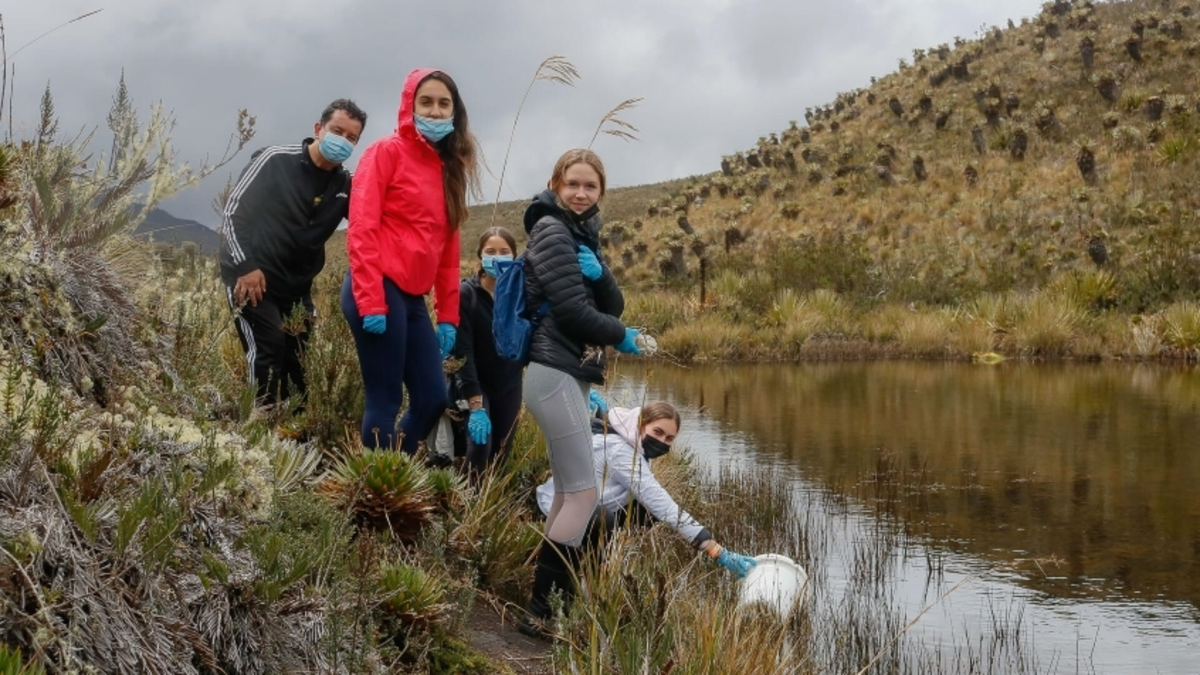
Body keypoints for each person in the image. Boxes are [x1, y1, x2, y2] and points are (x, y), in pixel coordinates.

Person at [518, 148, 647, 634]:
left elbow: (611, 301)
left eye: (590, 186)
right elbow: (575, 313)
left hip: (567, 374)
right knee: (583, 493)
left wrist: (602, 273)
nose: (580, 192)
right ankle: (544, 612)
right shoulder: (552, 230)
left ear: (601, 193)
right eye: (573, 183)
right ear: (556, 183)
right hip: (552, 371)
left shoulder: (579, 234)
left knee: (566, 493)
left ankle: (544, 606)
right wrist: (623, 336)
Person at [526, 400, 758, 634]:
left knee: (643, 513)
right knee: (605, 519)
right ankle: (545, 610)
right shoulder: (620, 450)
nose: (662, 441)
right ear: (640, 424)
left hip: (590, 506)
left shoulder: (633, 442)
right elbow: (662, 503)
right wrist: (715, 550)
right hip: (560, 511)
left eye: (669, 438)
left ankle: (590, 569)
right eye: (657, 432)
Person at [341, 69, 480, 453]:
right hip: (377, 288)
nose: (435, 112)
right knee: (384, 399)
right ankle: (374, 489)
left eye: (443, 103)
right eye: (426, 102)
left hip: (412, 297)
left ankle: (391, 475)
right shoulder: (385, 152)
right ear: (409, 106)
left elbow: (447, 251)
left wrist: (449, 315)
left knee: (432, 397)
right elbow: (362, 229)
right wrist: (370, 300)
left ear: (455, 112)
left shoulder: (449, 169)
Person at [219, 99, 368, 407]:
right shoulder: (274, 160)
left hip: (298, 289)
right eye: (337, 131)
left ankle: (296, 437)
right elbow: (232, 214)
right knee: (267, 351)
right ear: (318, 128)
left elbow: (370, 226)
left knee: (298, 364)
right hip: (253, 277)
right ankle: (256, 432)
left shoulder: (345, 183)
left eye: (352, 138)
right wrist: (245, 266)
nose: (343, 141)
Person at [451, 226, 525, 475]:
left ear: (514, 256)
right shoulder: (466, 295)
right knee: (480, 447)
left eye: (505, 252)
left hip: (510, 382)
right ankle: (466, 507)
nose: (498, 257)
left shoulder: (520, 294)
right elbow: (462, 354)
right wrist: (476, 406)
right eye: (490, 251)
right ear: (480, 256)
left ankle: (493, 509)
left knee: (502, 452)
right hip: (477, 383)